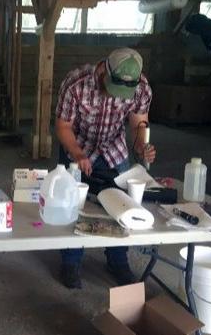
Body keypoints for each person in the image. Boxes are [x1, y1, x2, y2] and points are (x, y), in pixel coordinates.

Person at [54, 47, 156, 289]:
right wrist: (78, 154)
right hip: (77, 144)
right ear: (103, 70)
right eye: (112, 88)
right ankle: (71, 260)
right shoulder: (75, 84)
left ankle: (117, 260)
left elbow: (139, 123)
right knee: (73, 205)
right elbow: (63, 127)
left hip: (113, 147)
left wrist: (141, 146)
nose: (114, 96)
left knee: (123, 204)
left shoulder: (141, 88)